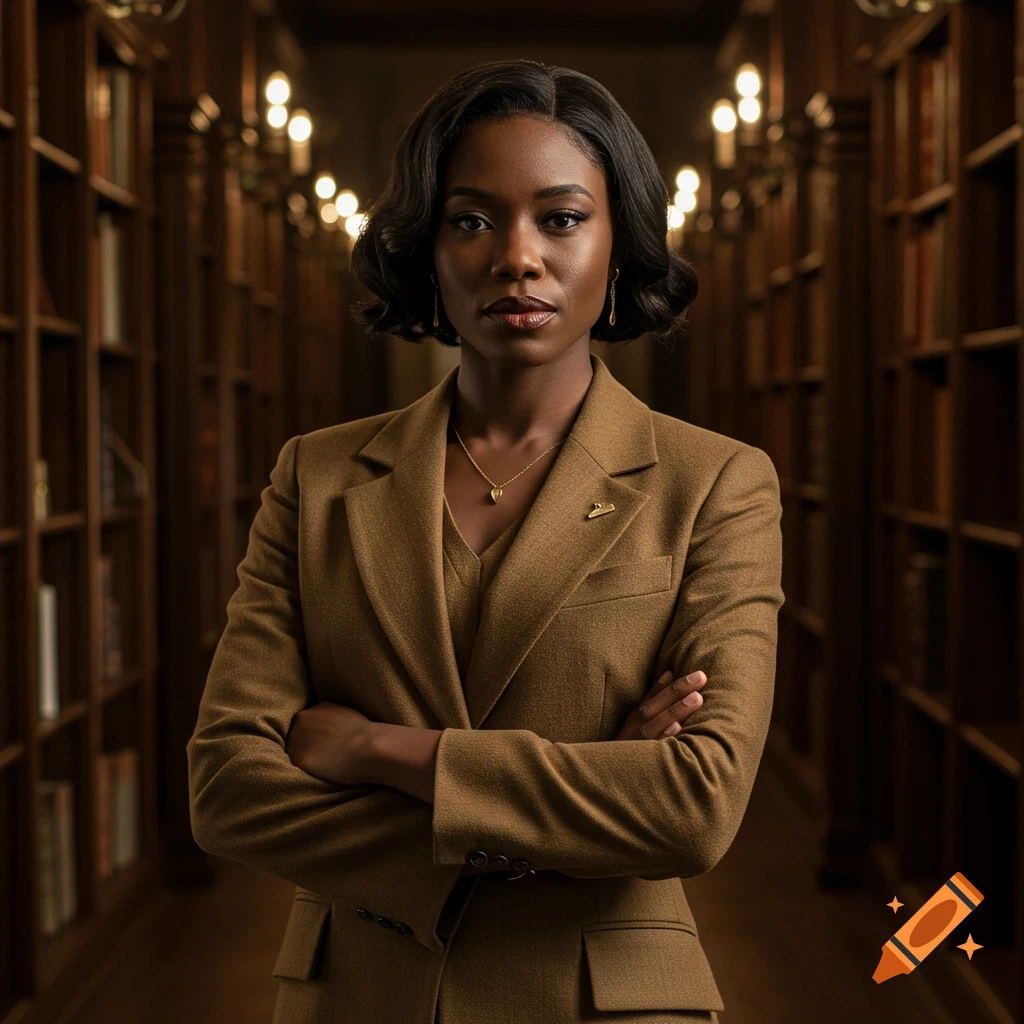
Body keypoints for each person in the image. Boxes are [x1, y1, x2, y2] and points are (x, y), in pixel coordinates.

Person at [186, 58, 784, 1024]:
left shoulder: (715, 482)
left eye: (561, 218)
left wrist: (380, 749)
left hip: (603, 1002)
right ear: (425, 249)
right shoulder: (318, 476)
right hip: (357, 998)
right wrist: (583, 800)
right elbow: (226, 788)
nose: (517, 258)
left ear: (620, 244)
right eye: (471, 220)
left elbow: (693, 806)